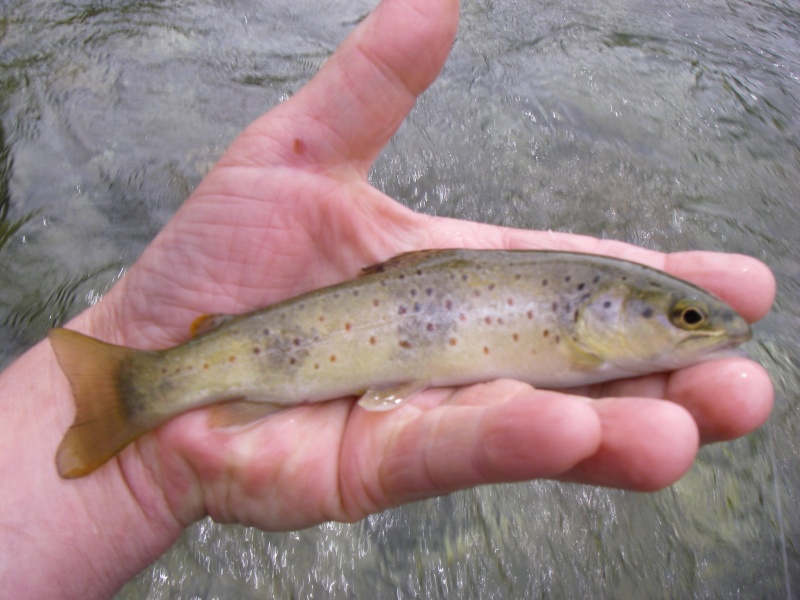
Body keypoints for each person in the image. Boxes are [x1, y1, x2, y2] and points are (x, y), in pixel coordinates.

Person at [0, 0, 774, 598]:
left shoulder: (587, 324)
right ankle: (134, 388)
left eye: (690, 318)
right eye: (687, 319)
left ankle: (139, 391)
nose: (700, 328)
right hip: (270, 350)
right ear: (604, 312)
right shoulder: (581, 326)